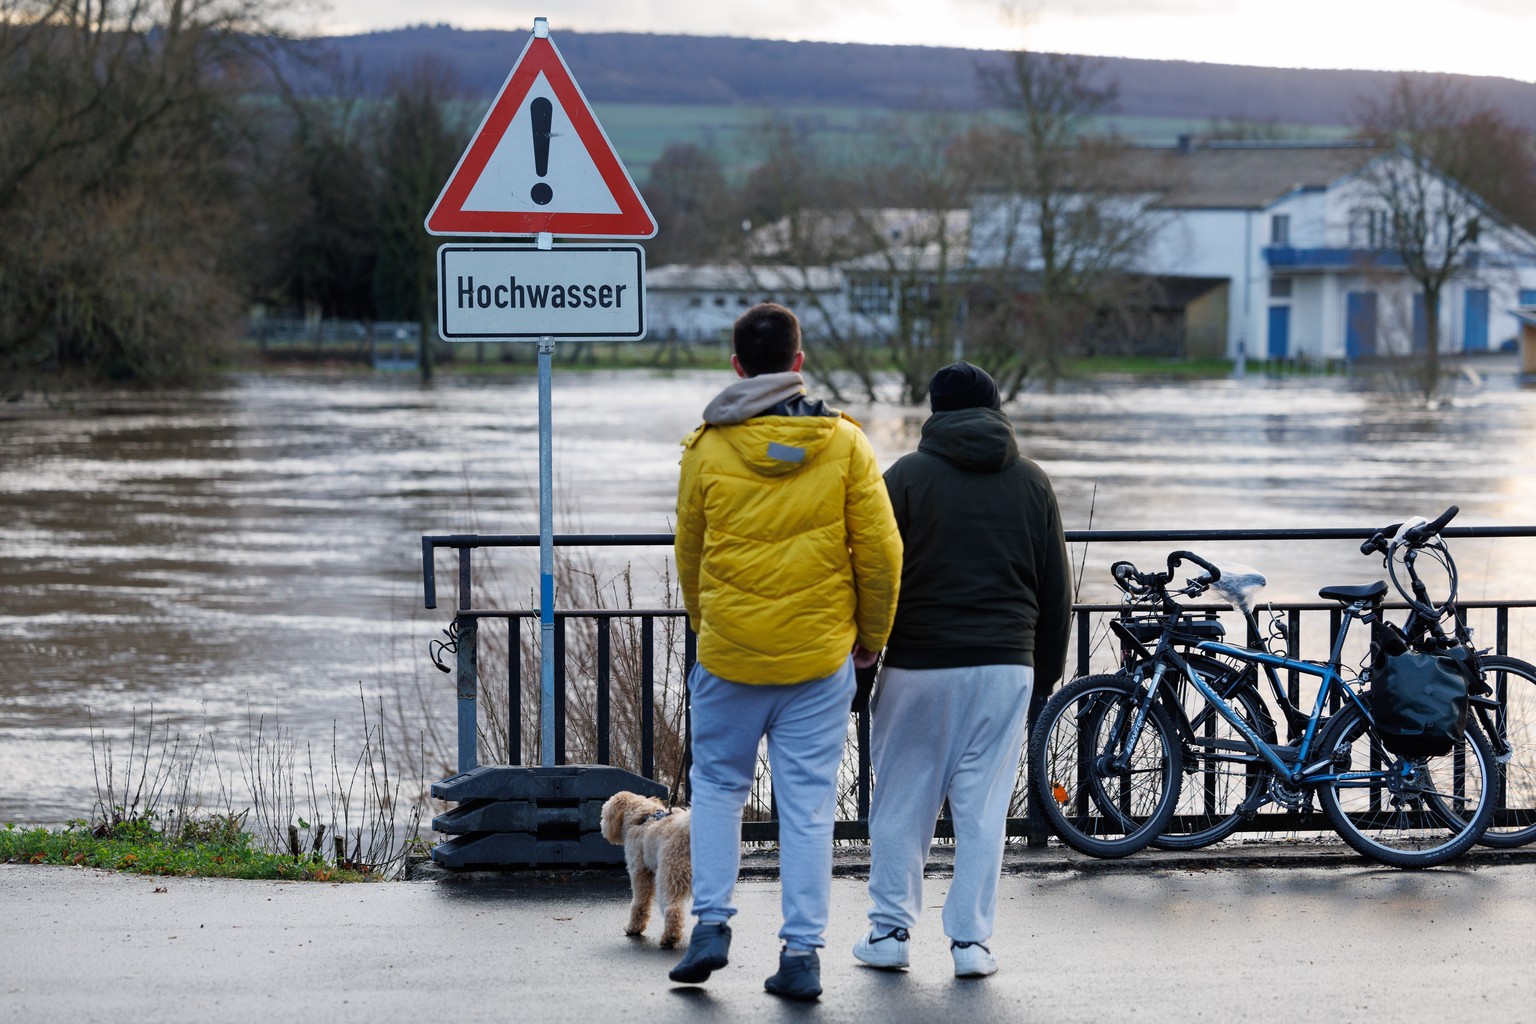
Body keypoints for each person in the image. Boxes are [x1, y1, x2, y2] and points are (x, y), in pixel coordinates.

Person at [668, 302, 902, 1001]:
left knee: (716, 790)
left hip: (731, 656)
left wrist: (709, 625)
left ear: (737, 367)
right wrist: (871, 638)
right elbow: (883, 555)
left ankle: (711, 923)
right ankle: (801, 953)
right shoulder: (846, 446)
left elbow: (690, 552)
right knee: (805, 808)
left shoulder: (705, 449)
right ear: (798, 364)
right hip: (817, 658)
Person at [852, 361, 1071, 979]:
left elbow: (874, 581)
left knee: (901, 804)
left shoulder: (906, 479)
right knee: (983, 811)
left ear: (934, 412)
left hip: (920, 664)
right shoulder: (1032, 482)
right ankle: (971, 945)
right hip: (1007, 667)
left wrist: (861, 679)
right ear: (997, 408)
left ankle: (890, 931)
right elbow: (1056, 592)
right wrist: (1043, 677)